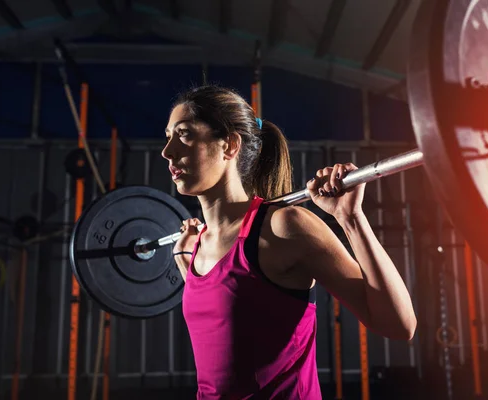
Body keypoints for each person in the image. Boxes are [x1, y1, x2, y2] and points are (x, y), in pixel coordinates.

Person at [161, 85, 416, 399]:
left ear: (228, 145)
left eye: (184, 134)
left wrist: (350, 219)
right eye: (168, 136)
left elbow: (399, 325)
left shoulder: (284, 227)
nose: (168, 151)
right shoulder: (200, 243)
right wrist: (183, 259)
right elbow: (231, 309)